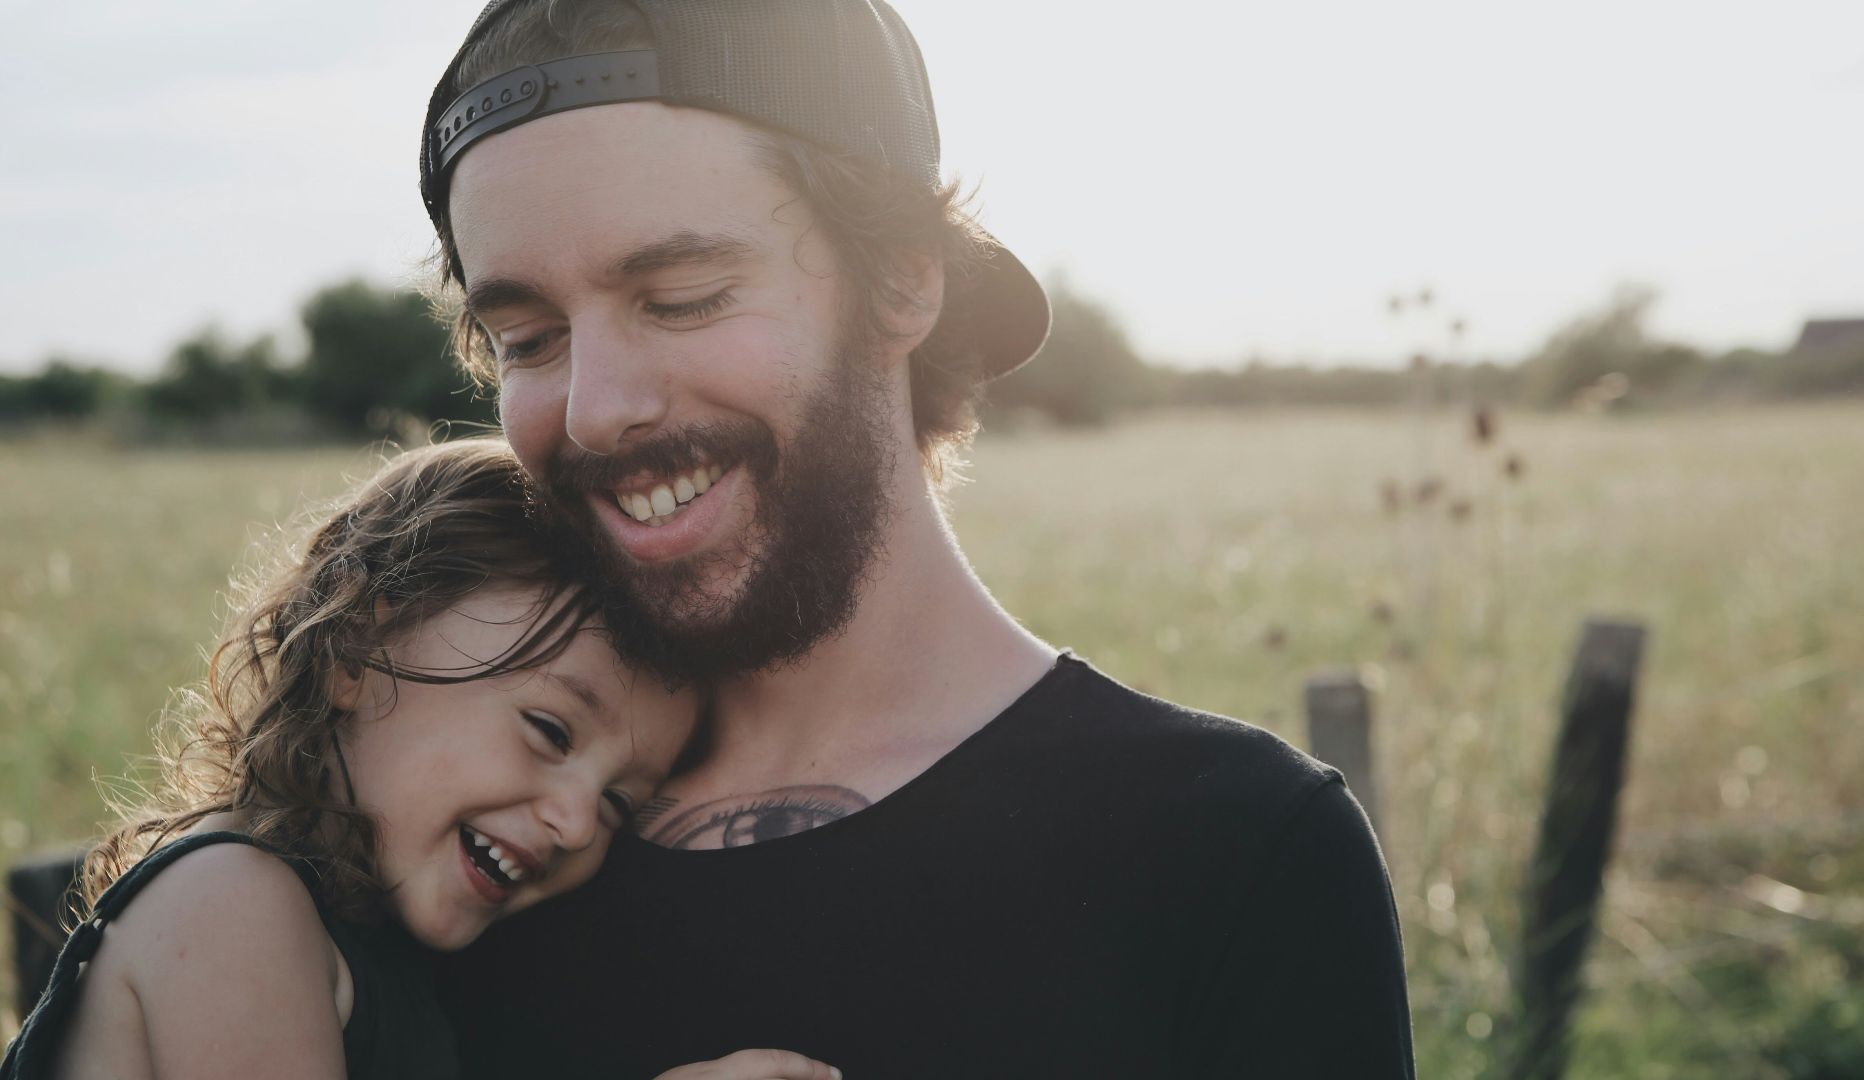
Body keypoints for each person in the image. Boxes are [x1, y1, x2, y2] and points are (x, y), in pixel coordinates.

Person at [423, 1, 1418, 1075]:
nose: (594, 411)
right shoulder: (461, 839)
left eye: (683, 298)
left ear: (902, 284)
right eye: (528, 338)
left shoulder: (1232, 853)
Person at [1, 440, 839, 1080]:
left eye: (620, 803)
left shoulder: (375, 947)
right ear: (356, 648)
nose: (578, 820)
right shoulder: (232, 904)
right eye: (549, 731)